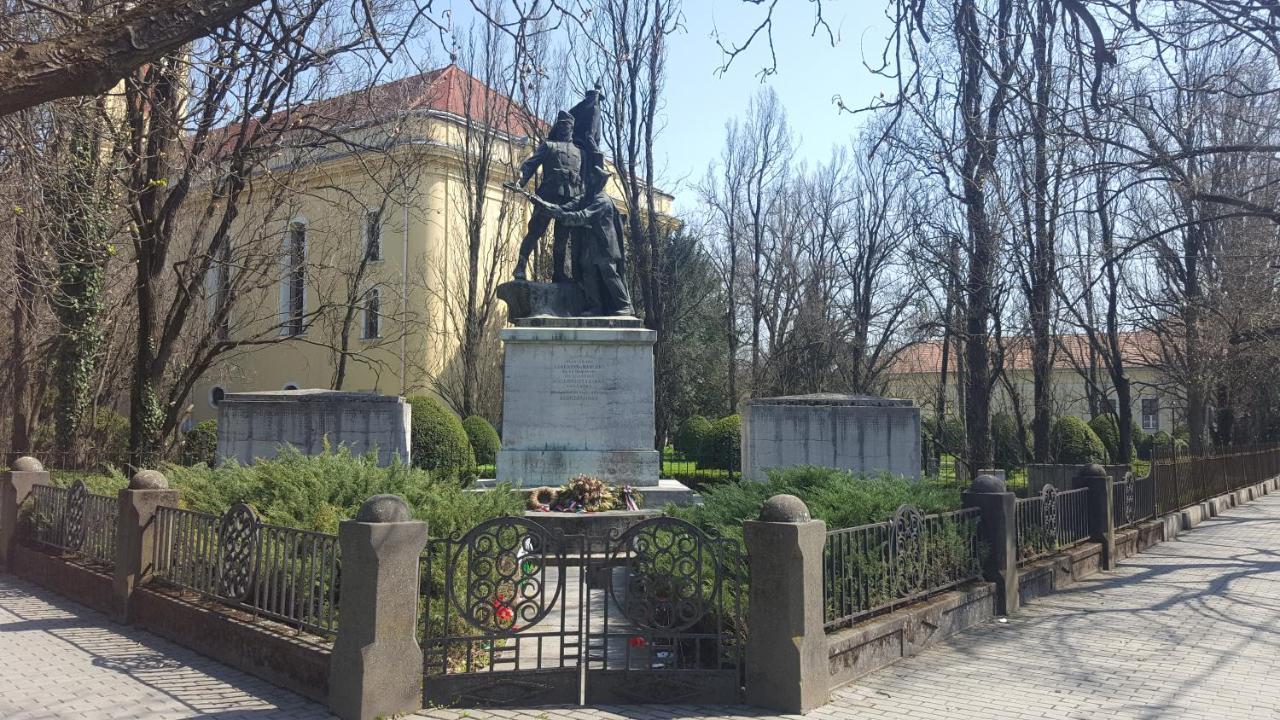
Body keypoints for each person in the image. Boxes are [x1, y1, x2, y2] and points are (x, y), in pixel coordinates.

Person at [533, 165, 635, 317]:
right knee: (588, 272)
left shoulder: (602, 201)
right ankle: (595, 306)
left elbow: (583, 216)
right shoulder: (587, 197)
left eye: (593, 178)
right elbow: (568, 206)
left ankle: (624, 305)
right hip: (591, 244)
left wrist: (560, 215)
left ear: (598, 181)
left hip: (604, 245)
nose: (590, 180)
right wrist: (548, 206)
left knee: (609, 273)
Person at [511, 111, 582, 283]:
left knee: (562, 239)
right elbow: (530, 164)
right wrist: (520, 181)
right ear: (558, 127)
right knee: (535, 232)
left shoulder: (579, 152)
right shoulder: (549, 146)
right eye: (562, 125)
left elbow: (584, 179)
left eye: (568, 125)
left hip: (569, 200)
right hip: (548, 195)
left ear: (572, 128)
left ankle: (559, 273)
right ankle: (520, 267)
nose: (565, 128)